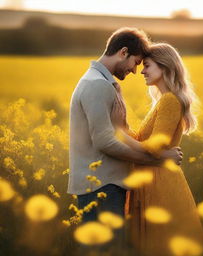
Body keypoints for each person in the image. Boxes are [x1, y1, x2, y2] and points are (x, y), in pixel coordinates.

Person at [67, 28, 183, 254]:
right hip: (101, 186)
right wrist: (156, 160)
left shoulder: (101, 81)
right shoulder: (96, 84)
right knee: (105, 250)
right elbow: (105, 143)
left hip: (104, 185)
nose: (135, 70)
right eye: (136, 62)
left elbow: (117, 133)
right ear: (123, 52)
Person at [111, 43, 203, 256]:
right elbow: (142, 141)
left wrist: (119, 131)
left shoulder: (170, 101)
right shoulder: (162, 101)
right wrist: (122, 123)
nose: (142, 71)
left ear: (165, 67)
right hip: (152, 177)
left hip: (160, 182)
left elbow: (154, 146)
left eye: (147, 66)